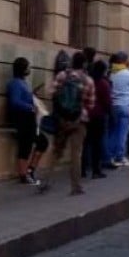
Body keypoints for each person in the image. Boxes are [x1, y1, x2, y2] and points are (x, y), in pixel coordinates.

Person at [44, 51, 96, 195]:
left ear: (72, 62)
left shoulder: (62, 76)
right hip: (79, 121)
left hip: (62, 119)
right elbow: (91, 104)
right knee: (76, 154)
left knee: (56, 151)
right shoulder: (88, 81)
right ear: (85, 64)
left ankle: (47, 181)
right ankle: (76, 187)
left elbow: (50, 92)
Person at [6, 57, 42, 186]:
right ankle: (23, 174)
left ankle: (30, 170)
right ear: (22, 69)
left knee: (42, 142)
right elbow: (14, 102)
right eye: (27, 67)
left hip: (29, 119)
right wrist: (30, 107)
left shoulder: (23, 83)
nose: (29, 69)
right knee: (25, 147)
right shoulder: (15, 83)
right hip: (22, 119)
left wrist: (33, 96)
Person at [107, 51, 129, 167]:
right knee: (123, 133)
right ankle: (120, 157)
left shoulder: (111, 73)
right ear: (124, 61)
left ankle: (109, 156)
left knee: (113, 132)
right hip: (126, 105)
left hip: (114, 106)